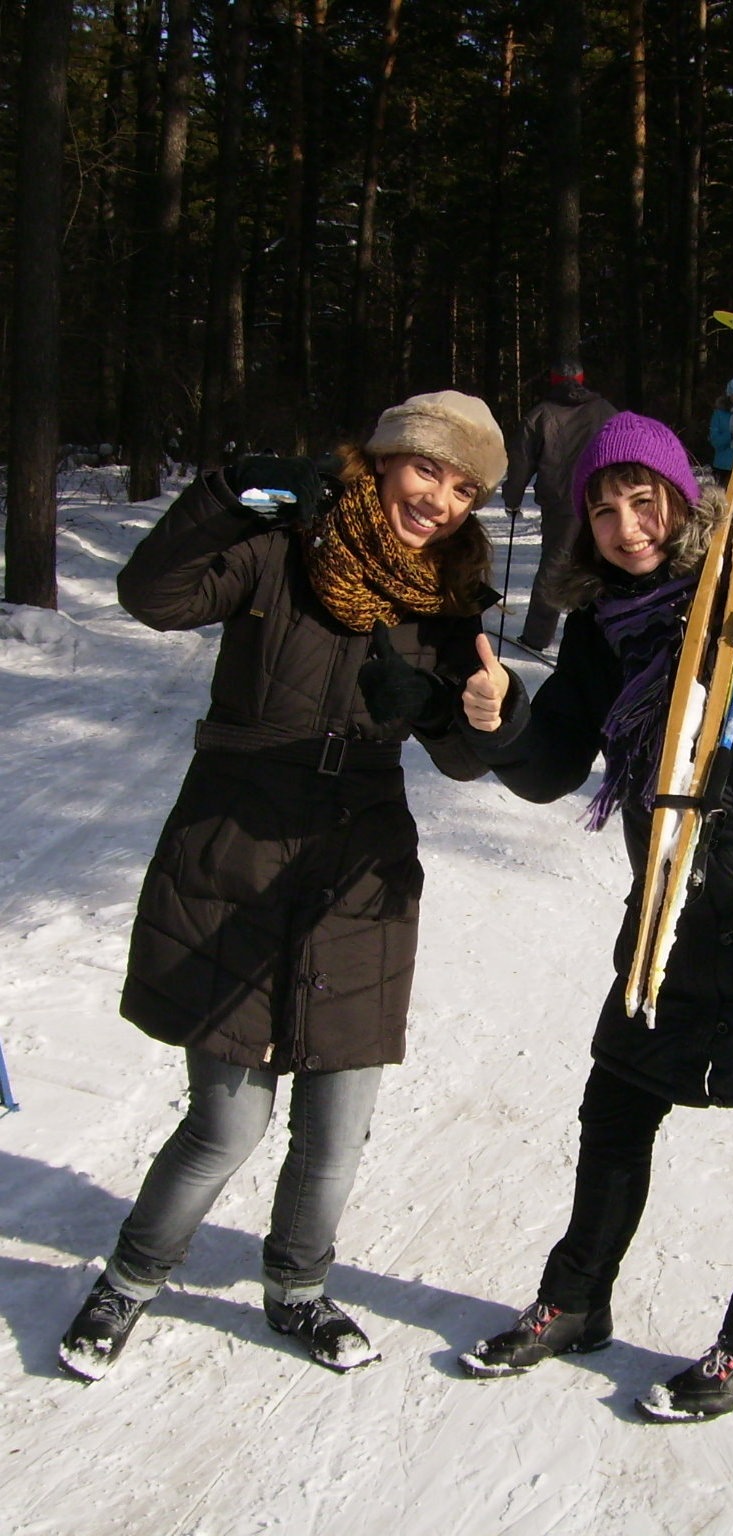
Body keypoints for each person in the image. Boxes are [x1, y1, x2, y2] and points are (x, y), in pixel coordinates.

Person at [58, 390, 507, 1382]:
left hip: (358, 872)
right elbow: (152, 597)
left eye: (463, 489)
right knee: (227, 1123)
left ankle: (298, 1290)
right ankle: (129, 1279)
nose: (438, 499)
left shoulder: (450, 599)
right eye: (426, 469)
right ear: (382, 459)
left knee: (335, 1131)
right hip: (236, 850)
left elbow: (466, 757)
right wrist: (225, 497)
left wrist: (482, 714)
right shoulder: (282, 546)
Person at [457, 411, 733, 1420]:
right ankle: (575, 1300)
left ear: (681, 503)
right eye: (603, 511)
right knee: (616, 1108)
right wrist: (502, 720)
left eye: (641, 501)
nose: (626, 527)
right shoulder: (601, 629)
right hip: (673, 914)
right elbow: (553, 764)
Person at [502, 361, 616, 651]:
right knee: (600, 564)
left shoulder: (541, 413)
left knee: (555, 564)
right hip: (601, 500)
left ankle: (537, 637)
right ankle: (600, 638)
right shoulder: (605, 410)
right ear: (582, 379)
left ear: (553, 380)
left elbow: (520, 461)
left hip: (561, 502)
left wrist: (512, 499)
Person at [709, 377, 733, 486]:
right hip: (723, 465)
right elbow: (714, 440)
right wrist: (731, 436)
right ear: (729, 396)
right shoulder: (719, 414)